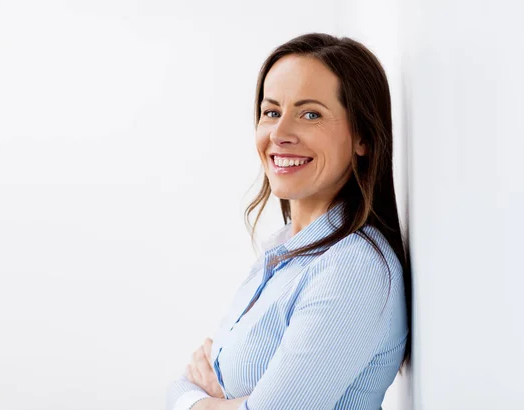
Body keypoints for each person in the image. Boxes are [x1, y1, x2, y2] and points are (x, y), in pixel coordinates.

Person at [167, 32, 411, 410]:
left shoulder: (354, 267)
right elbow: (184, 380)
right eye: (271, 112)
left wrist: (202, 401)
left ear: (362, 136)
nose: (279, 134)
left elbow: (195, 391)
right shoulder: (283, 254)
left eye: (310, 114)